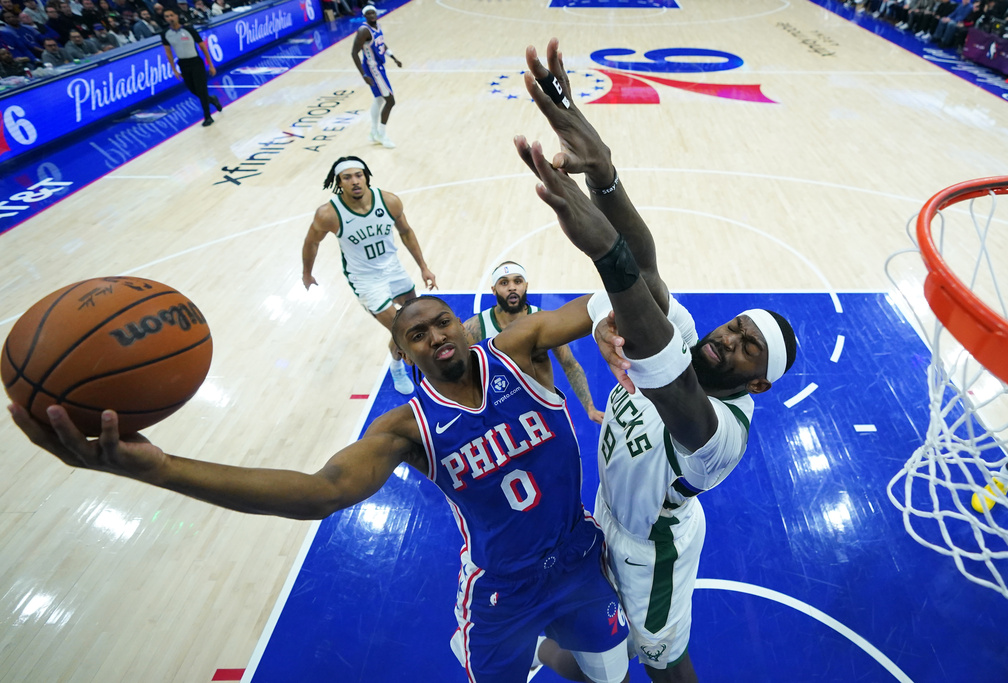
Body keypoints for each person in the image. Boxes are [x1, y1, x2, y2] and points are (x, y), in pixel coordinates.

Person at [8, 289, 633, 683]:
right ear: (403, 354)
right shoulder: (405, 429)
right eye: (417, 334)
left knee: (610, 674)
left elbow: (597, 301)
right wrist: (164, 469)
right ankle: (522, 645)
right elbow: (320, 491)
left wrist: (608, 315)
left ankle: (551, 649)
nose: (436, 336)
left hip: (580, 561)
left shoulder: (517, 350)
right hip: (503, 592)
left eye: (443, 323)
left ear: (464, 328)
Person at [512, 39, 798, 683]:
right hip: (604, 512)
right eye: (736, 326)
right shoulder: (691, 333)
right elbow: (646, 267)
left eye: (746, 347)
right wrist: (604, 174)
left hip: (653, 554)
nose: (728, 337)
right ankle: (545, 651)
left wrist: (605, 258)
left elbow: (669, 383)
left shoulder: (721, 434)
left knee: (663, 667)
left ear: (755, 381)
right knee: (601, 666)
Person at [301, 156, 437, 395]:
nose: (354, 181)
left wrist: (424, 267)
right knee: (402, 329)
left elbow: (406, 232)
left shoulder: (389, 201)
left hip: (393, 270)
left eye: (358, 175)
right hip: (365, 280)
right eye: (347, 177)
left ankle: (413, 359)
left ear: (366, 177)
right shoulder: (328, 214)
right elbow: (312, 242)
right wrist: (306, 273)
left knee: (417, 319)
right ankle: (398, 366)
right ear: (338, 182)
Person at [464, 260, 605, 424]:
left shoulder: (544, 321)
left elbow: (569, 364)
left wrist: (590, 408)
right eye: (504, 283)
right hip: (502, 418)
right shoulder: (475, 327)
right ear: (493, 290)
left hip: (543, 412)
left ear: (526, 285)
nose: (512, 287)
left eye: (517, 281)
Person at [350, 3, 401, 148]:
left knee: (379, 99)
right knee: (390, 101)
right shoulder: (363, 31)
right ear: (365, 16)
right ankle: (382, 134)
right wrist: (363, 74)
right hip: (373, 70)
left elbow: (381, 44)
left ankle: (373, 132)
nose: (372, 15)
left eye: (374, 13)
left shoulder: (377, 26)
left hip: (379, 67)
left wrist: (393, 57)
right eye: (369, 14)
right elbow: (354, 53)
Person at [160, 6, 221, 126]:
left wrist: (211, 65)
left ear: (177, 16)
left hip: (196, 63)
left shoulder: (189, 30)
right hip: (183, 64)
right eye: (167, 17)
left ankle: (207, 116)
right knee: (193, 90)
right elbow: (168, 52)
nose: (170, 18)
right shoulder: (165, 34)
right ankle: (212, 99)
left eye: (171, 15)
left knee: (201, 90)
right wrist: (174, 70)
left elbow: (203, 47)